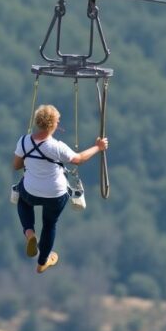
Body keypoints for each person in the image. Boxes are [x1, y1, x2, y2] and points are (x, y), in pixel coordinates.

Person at [13, 104, 109, 273]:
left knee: (23, 199)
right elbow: (78, 159)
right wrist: (98, 147)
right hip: (55, 195)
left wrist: (31, 160)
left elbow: (16, 165)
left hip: (31, 191)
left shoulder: (24, 141)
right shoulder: (57, 147)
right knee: (49, 224)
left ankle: (29, 234)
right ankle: (43, 261)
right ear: (52, 125)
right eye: (58, 121)